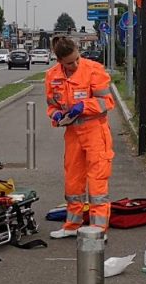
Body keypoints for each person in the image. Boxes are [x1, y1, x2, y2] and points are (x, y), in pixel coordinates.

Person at [45, 36, 115, 237]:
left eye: (77, 59)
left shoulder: (94, 70)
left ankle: (98, 228)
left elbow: (107, 102)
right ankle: (72, 225)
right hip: (73, 133)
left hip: (95, 131)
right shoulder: (52, 76)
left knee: (97, 180)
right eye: (69, 62)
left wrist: (84, 106)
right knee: (73, 180)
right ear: (59, 61)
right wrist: (56, 115)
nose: (75, 64)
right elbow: (51, 106)